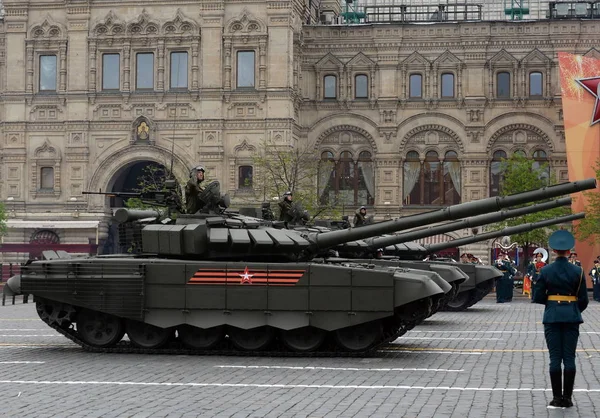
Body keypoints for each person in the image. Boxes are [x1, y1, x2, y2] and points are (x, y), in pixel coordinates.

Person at [533, 230, 588, 409]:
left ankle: (557, 398)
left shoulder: (546, 270)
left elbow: (538, 296)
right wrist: (572, 310)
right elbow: (583, 300)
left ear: (554, 250)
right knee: (569, 358)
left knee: (555, 358)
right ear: (569, 250)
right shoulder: (578, 271)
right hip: (572, 317)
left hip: (552, 317)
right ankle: (568, 398)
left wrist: (553, 307)